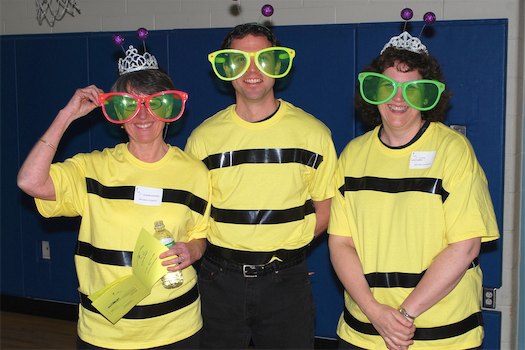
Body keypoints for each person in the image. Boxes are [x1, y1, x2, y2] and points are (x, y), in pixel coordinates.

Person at [16, 37, 210, 349]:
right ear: (117, 115)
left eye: (154, 104)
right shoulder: (93, 168)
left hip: (178, 328)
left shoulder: (194, 172)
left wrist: (194, 250)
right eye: (130, 106)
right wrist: (66, 115)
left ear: (170, 109)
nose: (143, 117)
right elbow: (30, 181)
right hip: (105, 332)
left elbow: (200, 233)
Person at [328, 30, 500, 349]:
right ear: (374, 91)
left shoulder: (454, 151)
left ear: (427, 95)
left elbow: (465, 247)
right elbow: (341, 243)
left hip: (442, 336)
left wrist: (403, 316)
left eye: (411, 89)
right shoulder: (352, 154)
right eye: (388, 86)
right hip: (363, 333)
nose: (398, 98)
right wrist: (374, 312)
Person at [185, 23, 338, 349]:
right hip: (219, 281)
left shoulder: (313, 134)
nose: (252, 70)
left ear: (277, 65)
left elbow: (326, 209)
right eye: (240, 60)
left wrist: (284, 251)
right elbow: (194, 217)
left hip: (286, 282)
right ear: (226, 68)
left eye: (262, 59)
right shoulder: (203, 139)